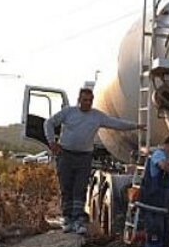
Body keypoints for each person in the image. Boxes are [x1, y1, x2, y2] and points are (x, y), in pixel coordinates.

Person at [45, 87, 145, 234]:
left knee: (80, 188)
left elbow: (115, 123)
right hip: (65, 155)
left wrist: (136, 126)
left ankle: (78, 220)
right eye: (85, 100)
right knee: (66, 187)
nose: (88, 103)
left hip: (84, 156)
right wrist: (52, 142)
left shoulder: (97, 116)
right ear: (79, 100)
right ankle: (67, 219)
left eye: (90, 100)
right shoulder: (68, 112)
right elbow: (48, 123)